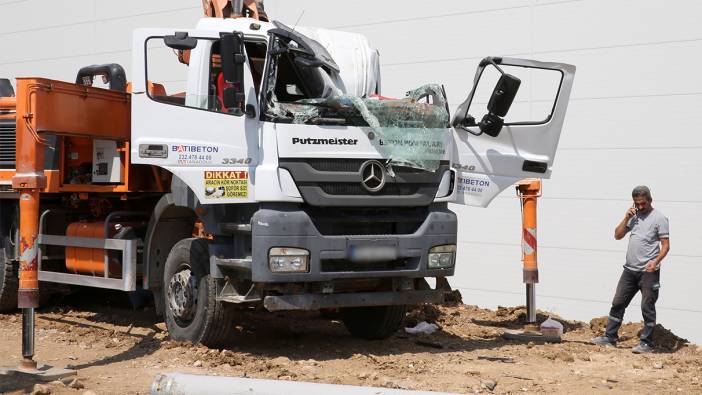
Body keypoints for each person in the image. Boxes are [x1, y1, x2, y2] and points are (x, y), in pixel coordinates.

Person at [592, 186, 670, 353]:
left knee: (647, 306)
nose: (640, 207)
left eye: (643, 203)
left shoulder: (660, 218)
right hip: (629, 270)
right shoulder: (633, 217)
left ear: (650, 200)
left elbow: (666, 246)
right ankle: (610, 337)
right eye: (637, 203)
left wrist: (655, 261)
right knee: (618, 302)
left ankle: (646, 343)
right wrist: (626, 217)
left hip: (649, 272)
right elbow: (617, 235)